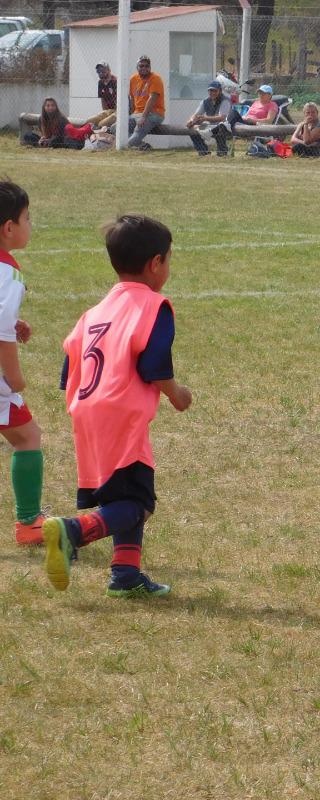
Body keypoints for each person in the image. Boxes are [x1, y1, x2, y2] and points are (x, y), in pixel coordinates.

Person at [42, 215, 193, 598]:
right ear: (155, 263)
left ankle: (125, 575)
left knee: (120, 496)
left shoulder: (94, 312)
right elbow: (154, 363)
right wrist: (178, 395)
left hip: (86, 407)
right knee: (139, 502)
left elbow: (69, 366)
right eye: (169, 260)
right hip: (120, 412)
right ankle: (72, 531)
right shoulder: (153, 306)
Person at [0, 182, 46, 547]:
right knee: (27, 436)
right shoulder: (8, 273)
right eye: (28, 218)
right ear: (8, 229)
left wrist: (13, 323)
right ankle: (29, 523)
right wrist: (14, 377)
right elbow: (2, 333)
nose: (31, 225)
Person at [125, 56, 165, 150]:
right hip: (136, 114)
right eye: (141, 66)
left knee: (132, 139)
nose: (144, 68)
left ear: (150, 68)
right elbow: (131, 98)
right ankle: (143, 146)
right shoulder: (133, 79)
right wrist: (131, 114)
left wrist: (143, 117)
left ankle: (128, 146)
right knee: (115, 128)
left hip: (153, 114)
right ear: (137, 67)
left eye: (147, 66)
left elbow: (152, 98)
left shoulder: (156, 79)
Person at [186, 80, 232, 156]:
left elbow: (222, 117)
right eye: (210, 90)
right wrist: (191, 121)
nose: (212, 93)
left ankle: (222, 152)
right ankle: (203, 151)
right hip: (211, 126)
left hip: (225, 126)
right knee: (192, 129)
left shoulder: (225, 101)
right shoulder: (205, 101)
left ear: (220, 91)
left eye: (215, 90)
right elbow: (196, 114)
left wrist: (205, 118)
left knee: (221, 128)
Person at [22, 98, 90, 148]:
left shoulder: (61, 118)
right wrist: (41, 139)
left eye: (52, 105)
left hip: (61, 139)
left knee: (60, 141)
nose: (50, 107)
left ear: (56, 107)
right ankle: (40, 144)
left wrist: (48, 140)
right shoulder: (41, 119)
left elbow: (59, 136)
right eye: (48, 106)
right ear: (44, 107)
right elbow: (44, 134)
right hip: (49, 139)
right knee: (27, 135)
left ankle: (44, 144)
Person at [87, 62, 118, 131]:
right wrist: (105, 112)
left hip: (118, 111)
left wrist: (110, 115)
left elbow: (119, 101)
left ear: (109, 70)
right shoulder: (100, 82)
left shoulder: (115, 81)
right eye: (98, 71)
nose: (100, 73)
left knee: (101, 124)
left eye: (103, 70)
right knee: (89, 121)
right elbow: (103, 99)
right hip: (109, 110)